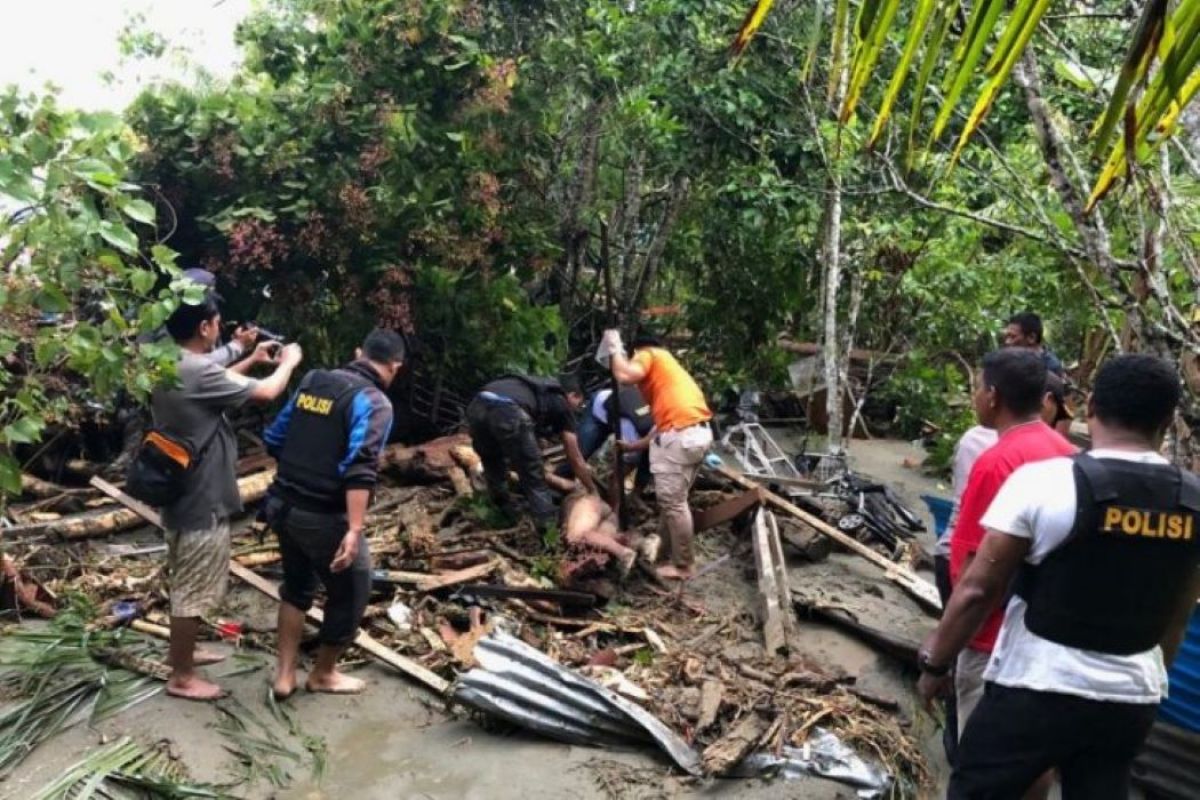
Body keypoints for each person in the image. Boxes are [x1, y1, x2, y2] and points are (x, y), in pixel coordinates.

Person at [917, 354, 1200, 799]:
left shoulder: (1044, 483)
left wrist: (936, 663)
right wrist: (1143, 680)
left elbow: (978, 589)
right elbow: (1178, 616)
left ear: (1090, 408)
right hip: (1129, 702)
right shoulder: (1192, 499)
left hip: (1037, 689)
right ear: (1167, 422)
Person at [152, 294, 303, 701]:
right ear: (204, 327)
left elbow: (212, 375)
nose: (219, 329)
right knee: (191, 588)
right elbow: (268, 393)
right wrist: (288, 362)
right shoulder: (198, 372)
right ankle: (182, 675)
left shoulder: (170, 362)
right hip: (200, 497)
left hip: (178, 490)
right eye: (216, 323)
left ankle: (185, 652)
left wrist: (248, 355)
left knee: (185, 577)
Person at [262, 329, 406, 699]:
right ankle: (323, 673)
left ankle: (284, 676)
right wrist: (354, 529)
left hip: (281, 504)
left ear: (359, 351)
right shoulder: (374, 402)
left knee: (296, 588)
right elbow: (361, 465)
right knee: (353, 589)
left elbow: (275, 438)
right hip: (323, 516)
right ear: (395, 367)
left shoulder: (313, 381)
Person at [944, 350, 1075, 740]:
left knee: (978, 755)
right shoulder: (1069, 455)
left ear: (993, 397)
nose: (974, 397)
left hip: (991, 640)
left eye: (977, 388)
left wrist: (941, 653)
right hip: (1045, 638)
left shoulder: (996, 461)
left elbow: (974, 575)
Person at [602, 331, 713, 581]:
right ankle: (665, 553)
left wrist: (614, 348)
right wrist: (634, 446)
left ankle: (684, 566)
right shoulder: (669, 378)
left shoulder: (648, 354)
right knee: (673, 501)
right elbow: (661, 426)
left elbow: (624, 375)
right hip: (696, 433)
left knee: (673, 504)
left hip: (682, 438)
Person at [466, 373, 597, 531]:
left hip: (477, 406)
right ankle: (548, 533)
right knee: (533, 477)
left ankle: (503, 515)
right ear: (573, 395)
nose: (577, 409)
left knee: (493, 463)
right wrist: (591, 489)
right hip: (507, 410)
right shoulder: (561, 403)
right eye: (580, 404)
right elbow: (575, 457)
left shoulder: (533, 389)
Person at [559, 385, 655, 494]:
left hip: (621, 414)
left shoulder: (658, 428)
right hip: (599, 410)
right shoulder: (633, 434)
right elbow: (617, 476)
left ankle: (635, 496)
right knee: (580, 453)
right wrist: (614, 508)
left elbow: (647, 466)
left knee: (647, 463)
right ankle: (560, 482)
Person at [1003, 311, 1065, 377]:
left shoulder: (1050, 367)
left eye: (1013, 337)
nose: (1007, 342)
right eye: (1006, 337)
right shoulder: (1011, 360)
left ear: (1031, 338)